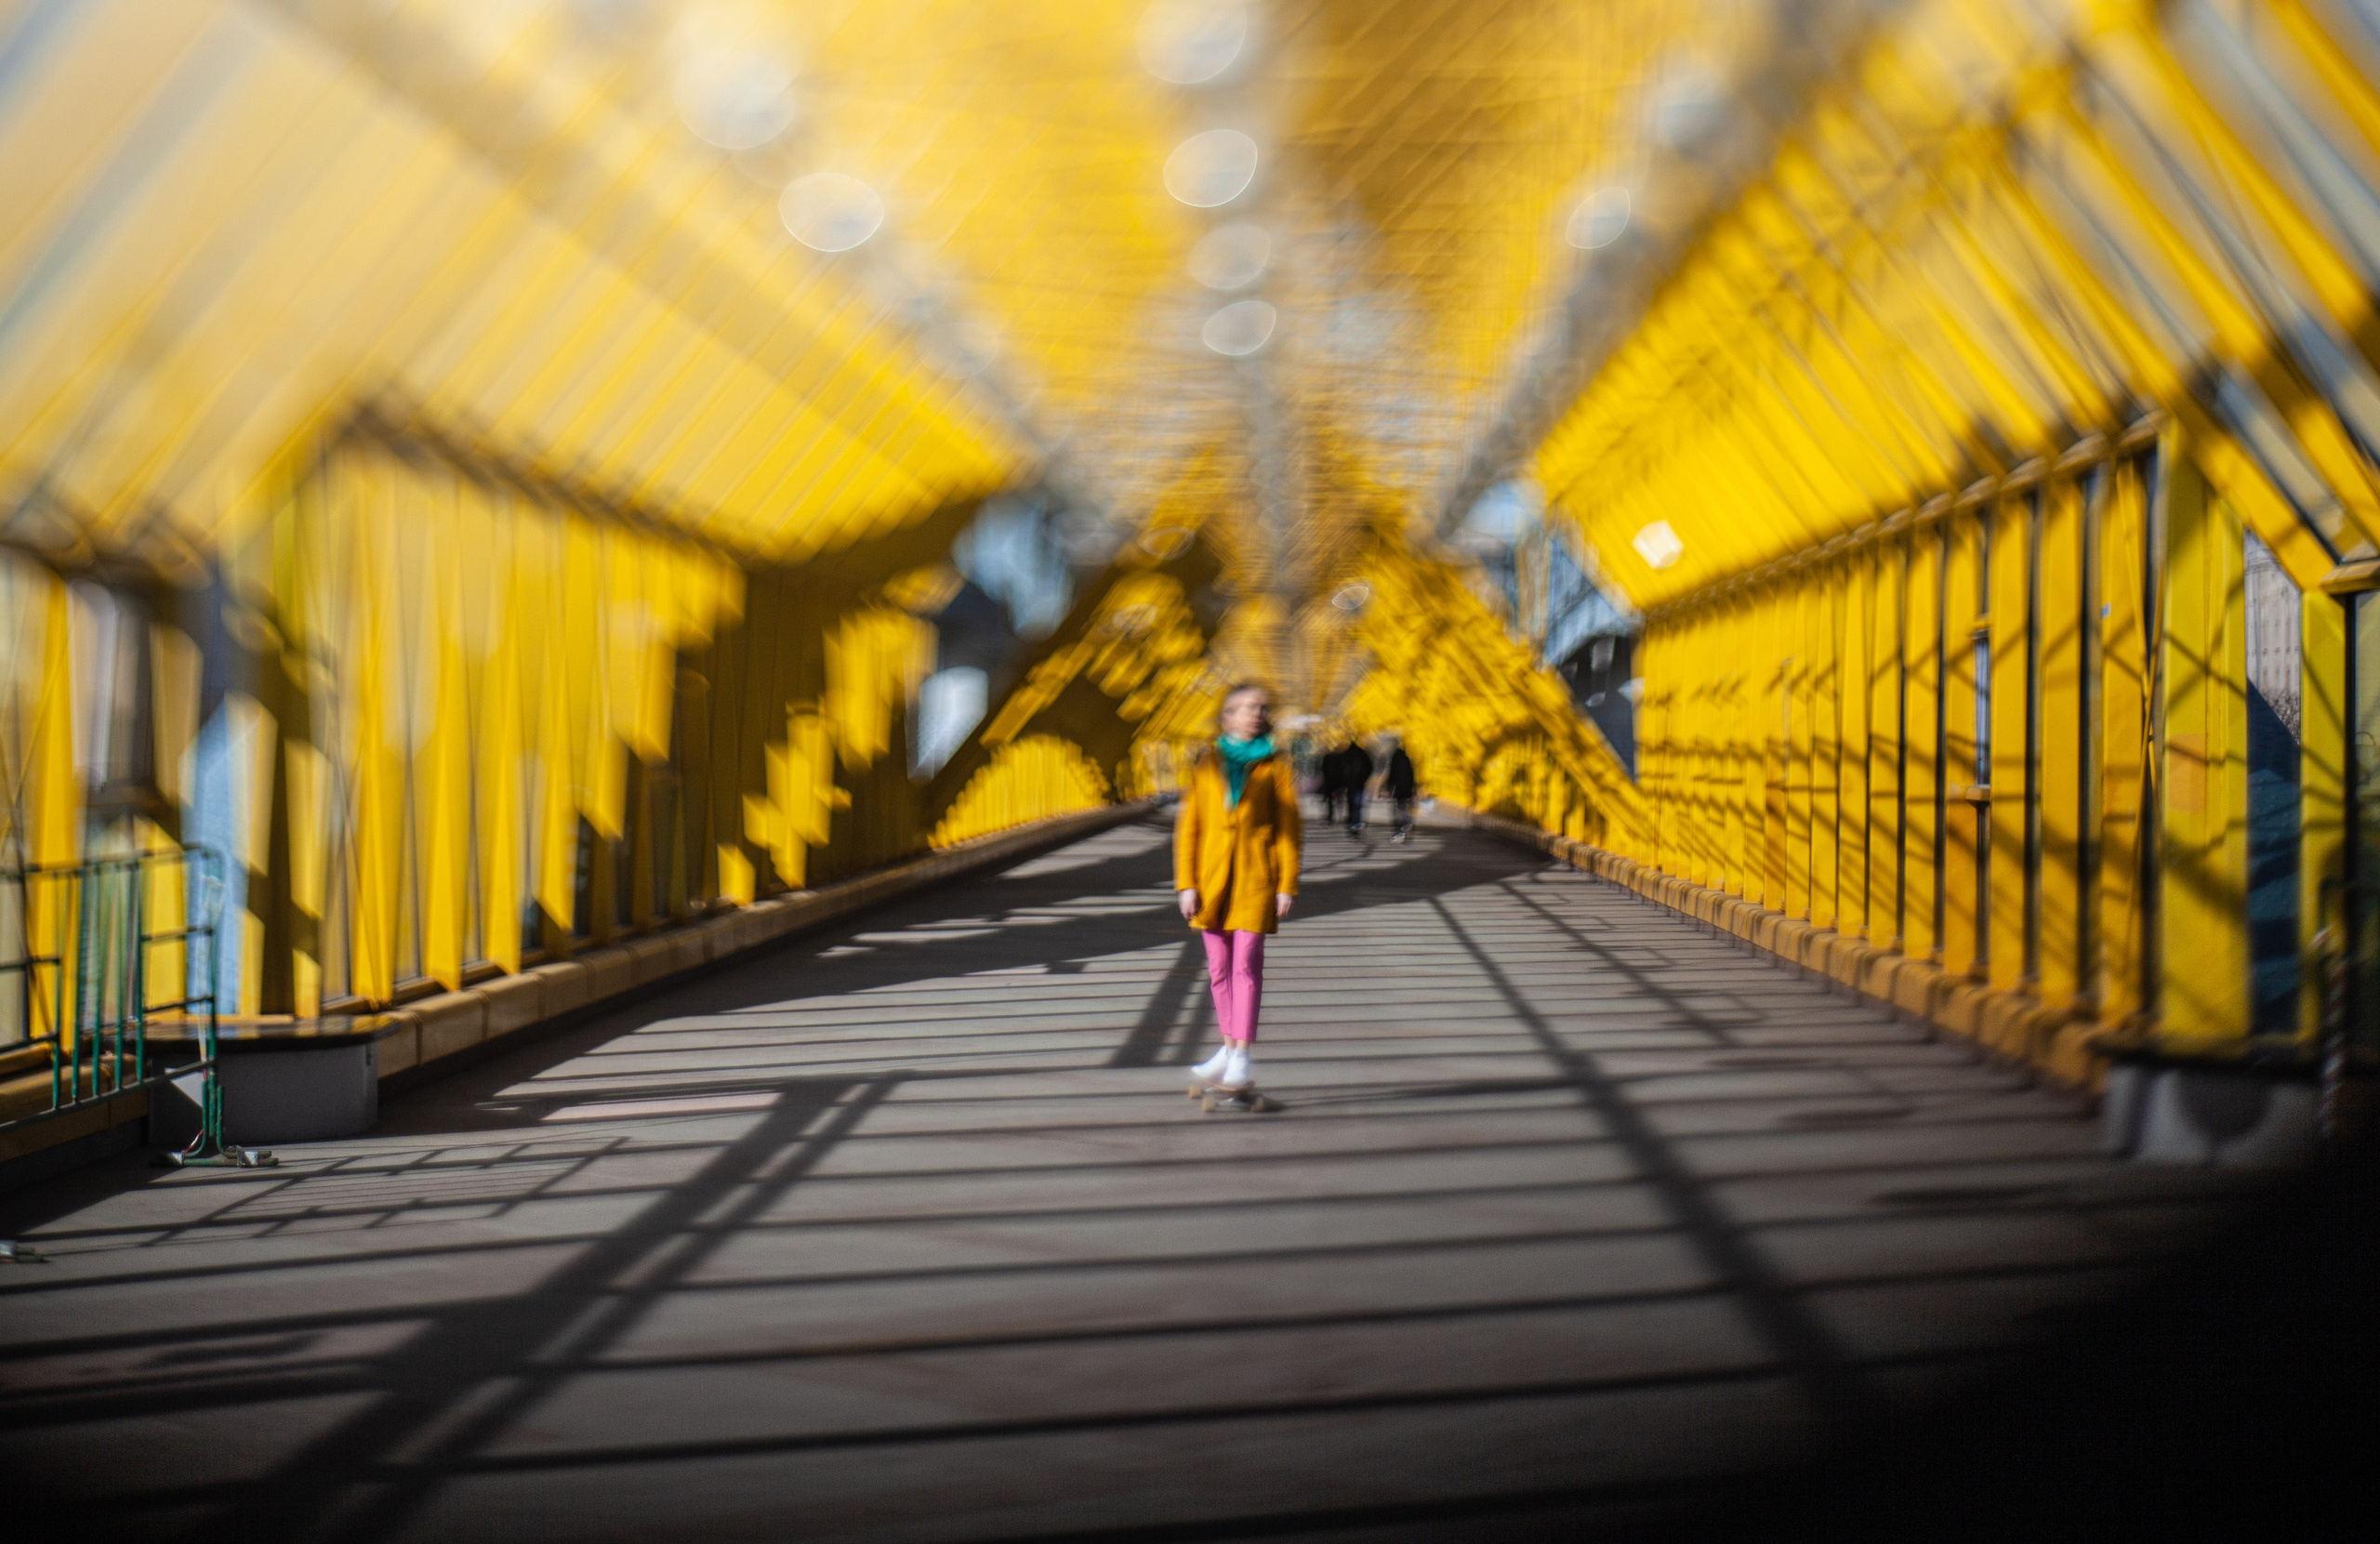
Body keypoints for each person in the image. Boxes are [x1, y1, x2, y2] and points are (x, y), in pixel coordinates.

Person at [1175, 683, 1302, 1098]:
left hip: (1254, 879)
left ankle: (1242, 1053)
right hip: (1212, 880)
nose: (1255, 714)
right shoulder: (1207, 764)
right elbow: (1189, 828)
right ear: (1227, 716)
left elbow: (1288, 830)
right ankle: (1228, 1051)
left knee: (1246, 964)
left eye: (1261, 708)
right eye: (1245, 708)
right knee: (1217, 969)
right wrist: (1186, 884)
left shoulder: (1276, 766)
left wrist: (1287, 885)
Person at [1382, 738, 1417, 842]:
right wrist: (1414, 788)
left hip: (1398, 788)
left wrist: (1389, 787)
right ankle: (1407, 823)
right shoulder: (1408, 759)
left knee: (1397, 809)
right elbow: (1412, 775)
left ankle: (1399, 829)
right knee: (1405, 808)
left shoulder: (1395, 758)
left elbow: (1393, 773)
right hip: (1407, 788)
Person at [1339, 736, 1374, 837]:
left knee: (1352, 804)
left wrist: (1343, 782)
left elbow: (1341, 769)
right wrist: (1364, 778)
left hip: (1351, 783)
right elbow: (1369, 767)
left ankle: (1353, 824)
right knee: (1357, 805)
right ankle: (1356, 823)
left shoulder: (1346, 754)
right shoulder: (1363, 754)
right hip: (1359, 783)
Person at [1317, 741, 1345, 826]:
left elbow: (1322, 768)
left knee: (1330, 800)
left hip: (1329, 781)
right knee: (1338, 800)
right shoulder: (1341, 757)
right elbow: (1342, 769)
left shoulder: (1327, 757)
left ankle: (1331, 817)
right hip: (1337, 781)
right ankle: (1339, 816)